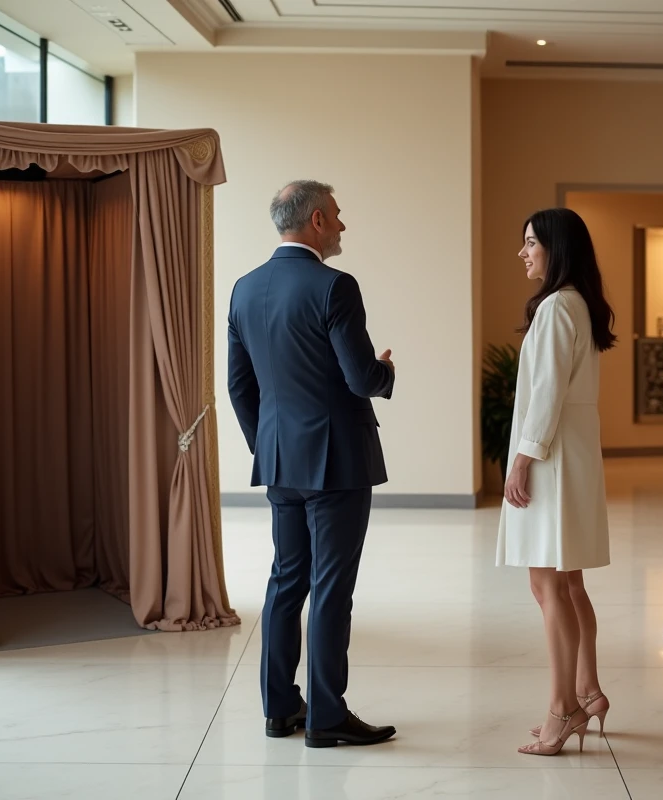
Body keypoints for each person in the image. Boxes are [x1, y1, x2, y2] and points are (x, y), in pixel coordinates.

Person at [227, 180, 397, 749]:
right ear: (317, 220)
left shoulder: (244, 289)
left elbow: (239, 387)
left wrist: (267, 445)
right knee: (330, 587)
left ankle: (279, 710)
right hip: (338, 462)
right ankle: (326, 716)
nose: (343, 226)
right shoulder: (335, 286)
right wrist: (385, 371)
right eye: (338, 216)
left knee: (285, 581)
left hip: (280, 462)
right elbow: (360, 378)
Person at [497, 207, 615, 757]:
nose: (522, 253)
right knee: (568, 585)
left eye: (530, 243)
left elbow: (545, 394)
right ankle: (587, 691)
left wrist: (523, 459)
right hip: (573, 454)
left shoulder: (554, 307)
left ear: (555, 247)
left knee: (548, 586)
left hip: (551, 456)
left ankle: (563, 708)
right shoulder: (578, 304)